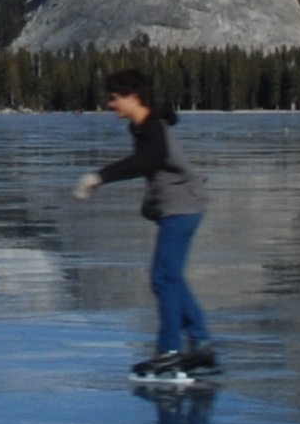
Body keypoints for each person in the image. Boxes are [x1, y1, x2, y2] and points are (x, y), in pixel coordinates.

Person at [73, 67, 214, 374]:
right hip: (183, 206)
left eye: (114, 98)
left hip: (183, 208)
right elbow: (157, 168)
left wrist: (99, 177)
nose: (110, 105)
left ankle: (169, 350)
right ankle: (202, 345)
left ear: (132, 98)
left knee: (163, 278)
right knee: (172, 278)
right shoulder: (144, 126)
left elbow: (147, 162)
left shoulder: (151, 127)